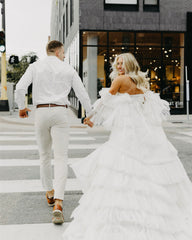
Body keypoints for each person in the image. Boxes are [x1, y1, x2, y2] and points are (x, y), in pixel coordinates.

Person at [63, 53, 192, 239]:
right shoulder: (140, 82)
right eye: (118, 63)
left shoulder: (121, 80)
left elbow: (104, 101)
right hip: (141, 130)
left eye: (123, 63)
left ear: (130, 64)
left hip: (127, 131)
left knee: (120, 166)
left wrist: (89, 117)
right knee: (143, 166)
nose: (120, 66)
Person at [15, 40, 92, 224]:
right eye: (64, 52)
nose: (65, 56)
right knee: (61, 158)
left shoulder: (35, 66)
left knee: (44, 155)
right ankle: (58, 203)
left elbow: (20, 87)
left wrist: (22, 107)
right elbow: (82, 93)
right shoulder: (68, 69)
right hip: (60, 112)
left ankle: (49, 192)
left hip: (41, 112)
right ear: (57, 52)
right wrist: (89, 114)